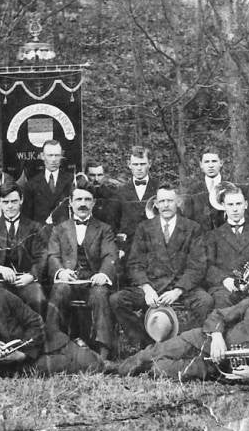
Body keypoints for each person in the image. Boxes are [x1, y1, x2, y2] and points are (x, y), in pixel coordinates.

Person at [112, 268, 249, 384]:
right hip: (205, 339)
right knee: (156, 351)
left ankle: (126, 368)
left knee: (160, 369)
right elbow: (219, 314)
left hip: (219, 366)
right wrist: (216, 336)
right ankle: (112, 368)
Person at [0, 260, 104, 377]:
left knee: (93, 363)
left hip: (45, 342)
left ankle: (95, 358)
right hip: (20, 366)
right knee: (89, 367)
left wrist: (23, 353)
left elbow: (35, 322)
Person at [109, 184, 212, 348]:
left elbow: (197, 266)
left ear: (178, 202)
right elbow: (134, 264)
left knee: (205, 301)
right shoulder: (144, 228)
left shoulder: (193, 228)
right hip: (153, 287)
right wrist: (147, 288)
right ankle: (145, 343)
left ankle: (188, 343)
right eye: (162, 201)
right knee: (117, 300)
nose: (165, 205)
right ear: (155, 204)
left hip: (181, 288)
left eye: (170, 201)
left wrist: (178, 290)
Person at [46, 180, 118, 359]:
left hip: (93, 281)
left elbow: (110, 255)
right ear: (71, 202)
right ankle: (53, 344)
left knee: (100, 294)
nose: (83, 204)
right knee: (59, 289)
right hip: (69, 280)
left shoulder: (104, 229)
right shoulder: (59, 229)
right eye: (78, 199)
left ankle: (103, 351)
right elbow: (52, 256)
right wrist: (61, 272)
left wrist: (103, 273)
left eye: (87, 199)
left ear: (94, 203)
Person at [0, 182, 47, 317]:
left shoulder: (34, 227)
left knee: (38, 298)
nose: (10, 206)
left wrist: (31, 275)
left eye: (14, 201)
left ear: (21, 200)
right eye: (5, 202)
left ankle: (36, 330)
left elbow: (42, 257)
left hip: (25, 281)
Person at [203, 185, 249, 309]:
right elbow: (208, 266)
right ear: (223, 206)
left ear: (245, 205)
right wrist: (224, 280)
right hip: (225, 289)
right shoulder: (213, 236)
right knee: (223, 305)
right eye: (230, 205)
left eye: (238, 204)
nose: (235, 209)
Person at [114, 146, 159, 256]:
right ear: (129, 165)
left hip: (154, 247)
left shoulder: (159, 188)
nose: (139, 168)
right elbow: (115, 222)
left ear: (150, 163)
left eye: (142, 164)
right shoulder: (120, 191)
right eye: (135, 164)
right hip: (128, 249)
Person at [22, 139, 73, 225]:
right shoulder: (31, 184)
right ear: (42, 156)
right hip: (41, 231)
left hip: (64, 231)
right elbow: (27, 218)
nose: (54, 159)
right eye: (50, 155)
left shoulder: (71, 180)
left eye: (57, 155)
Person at [184, 147, 227, 234]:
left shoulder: (230, 187)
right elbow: (188, 220)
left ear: (221, 163)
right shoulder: (193, 191)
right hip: (201, 238)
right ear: (201, 165)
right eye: (207, 162)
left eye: (214, 161)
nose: (211, 165)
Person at [85, 159, 121, 232]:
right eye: (92, 175)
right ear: (86, 175)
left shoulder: (113, 196)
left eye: (99, 175)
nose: (96, 179)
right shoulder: (80, 195)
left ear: (104, 176)